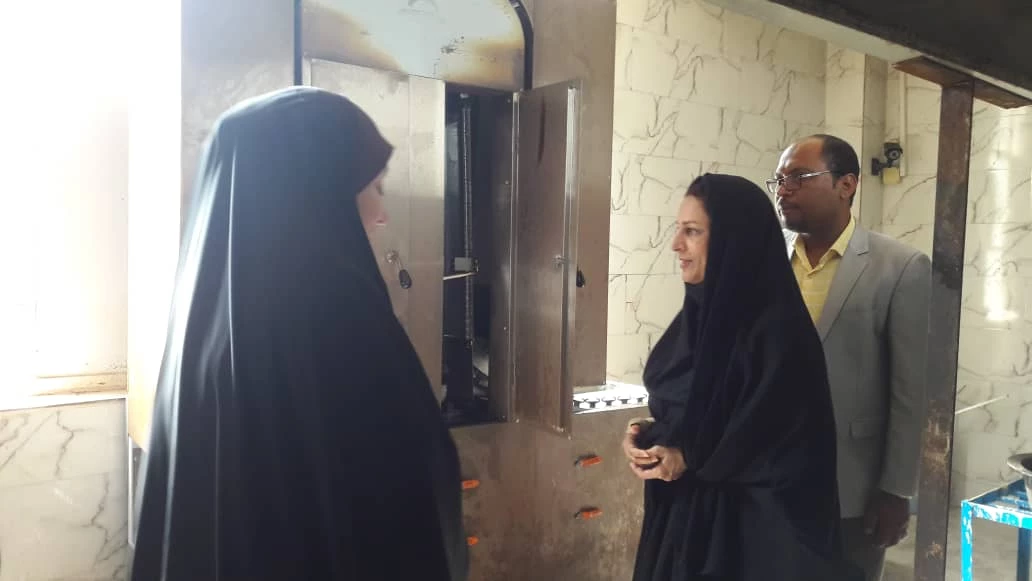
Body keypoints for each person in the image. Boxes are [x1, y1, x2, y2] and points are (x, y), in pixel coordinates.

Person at [130, 87, 468, 581]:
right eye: (374, 186)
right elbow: (404, 496)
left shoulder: (201, 334)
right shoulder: (335, 321)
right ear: (313, 193)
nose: (382, 214)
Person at [623, 174, 861, 581]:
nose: (676, 245)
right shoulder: (698, 320)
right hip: (685, 528)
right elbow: (703, 408)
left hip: (750, 542)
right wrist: (649, 432)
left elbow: (772, 445)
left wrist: (687, 457)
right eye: (678, 230)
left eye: (692, 231)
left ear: (734, 241)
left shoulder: (778, 335)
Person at [770, 134, 930, 581]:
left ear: (847, 185)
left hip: (852, 488)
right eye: (779, 180)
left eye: (799, 177)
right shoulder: (765, 260)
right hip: (767, 477)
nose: (784, 190)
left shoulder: (899, 267)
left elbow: (910, 392)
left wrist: (896, 491)